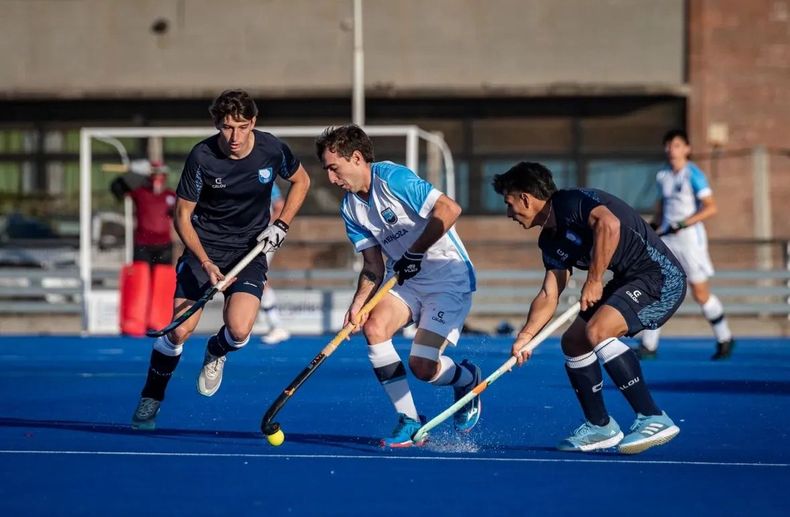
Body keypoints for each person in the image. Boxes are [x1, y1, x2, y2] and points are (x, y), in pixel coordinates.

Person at [131, 89, 311, 430]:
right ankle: (151, 396)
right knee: (179, 331)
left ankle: (216, 350)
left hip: (250, 250)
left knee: (239, 330)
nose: (235, 137)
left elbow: (302, 180)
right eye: (227, 127)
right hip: (205, 248)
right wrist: (205, 261)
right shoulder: (202, 156)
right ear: (217, 124)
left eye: (242, 127)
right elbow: (182, 216)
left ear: (253, 122)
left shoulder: (272, 149)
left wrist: (281, 225)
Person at [492, 161, 683, 454]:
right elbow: (549, 293)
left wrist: (594, 280)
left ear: (526, 198)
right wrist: (526, 336)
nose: (508, 214)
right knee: (574, 341)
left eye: (509, 203)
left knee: (598, 330)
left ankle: (652, 417)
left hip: (660, 278)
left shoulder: (570, 202)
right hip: (628, 280)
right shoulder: (550, 239)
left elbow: (609, 224)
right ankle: (600, 426)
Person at [316, 124, 480, 448]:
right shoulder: (350, 208)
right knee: (373, 328)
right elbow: (373, 266)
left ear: (357, 158)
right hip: (406, 281)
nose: (332, 179)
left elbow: (450, 209)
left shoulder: (393, 178)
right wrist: (358, 305)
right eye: (327, 171)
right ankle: (409, 420)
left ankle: (467, 379)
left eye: (334, 168)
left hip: (447, 279)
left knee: (423, 367)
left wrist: (415, 252)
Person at [638, 129, 734, 361]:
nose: (672, 150)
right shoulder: (663, 175)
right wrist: (654, 226)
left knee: (700, 293)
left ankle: (724, 337)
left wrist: (683, 223)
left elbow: (711, 207)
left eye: (677, 145)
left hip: (690, 241)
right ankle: (648, 345)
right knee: (658, 289)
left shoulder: (694, 174)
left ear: (687, 149)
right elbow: (662, 207)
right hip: (668, 239)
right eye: (669, 145)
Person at [110, 159, 176, 266]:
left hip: (164, 245)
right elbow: (117, 189)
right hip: (143, 244)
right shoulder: (140, 192)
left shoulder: (171, 195)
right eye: (154, 174)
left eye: (160, 174)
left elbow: (182, 214)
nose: (157, 177)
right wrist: (131, 172)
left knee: (162, 275)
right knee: (141, 274)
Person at [257, 182, 291, 345]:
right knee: (259, 278)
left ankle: (277, 326)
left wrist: (270, 230)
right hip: (244, 238)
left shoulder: (265, 176)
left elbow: (279, 205)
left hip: (263, 238)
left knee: (259, 277)